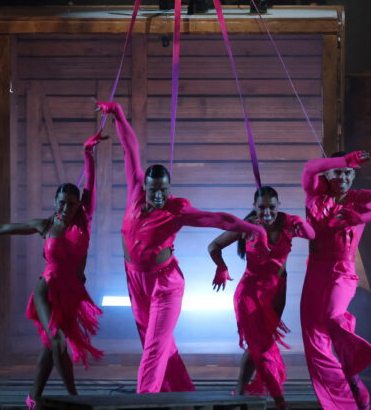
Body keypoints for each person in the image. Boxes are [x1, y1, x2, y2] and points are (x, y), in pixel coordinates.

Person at [95, 101, 268, 393]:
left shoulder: (177, 210)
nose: (159, 195)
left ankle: (144, 400)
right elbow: (130, 149)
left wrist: (251, 228)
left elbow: (217, 218)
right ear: (146, 187)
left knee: (154, 346)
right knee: (161, 345)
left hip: (165, 284)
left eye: (164, 190)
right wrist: (118, 114)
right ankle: (184, 394)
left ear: (169, 188)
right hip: (135, 278)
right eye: (155, 190)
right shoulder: (136, 191)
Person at [0, 134, 108, 409]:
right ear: (54, 201)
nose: (65, 208)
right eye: (61, 202)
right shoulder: (44, 226)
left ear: (78, 205)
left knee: (50, 349)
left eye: (71, 203)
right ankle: (76, 399)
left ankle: (33, 397)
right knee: (57, 340)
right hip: (46, 290)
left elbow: (92, 185)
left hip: (70, 293)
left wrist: (88, 153)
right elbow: (3, 228)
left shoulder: (84, 222)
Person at [299, 151, 371, 409]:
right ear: (329, 173)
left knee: (332, 317)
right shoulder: (315, 194)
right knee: (314, 337)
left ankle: (353, 369)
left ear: (353, 176)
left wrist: (361, 217)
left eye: (347, 172)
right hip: (315, 271)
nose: (343, 176)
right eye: (338, 171)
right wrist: (346, 159)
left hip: (342, 271)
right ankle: (344, 396)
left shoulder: (360, 198)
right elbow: (310, 166)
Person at [208, 186, 315, 410]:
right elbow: (214, 246)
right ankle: (279, 400)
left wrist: (299, 223)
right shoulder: (248, 226)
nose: (267, 213)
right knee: (261, 346)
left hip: (276, 294)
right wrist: (221, 268)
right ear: (254, 207)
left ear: (279, 206)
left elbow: (311, 234)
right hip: (249, 294)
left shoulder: (287, 223)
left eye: (272, 208)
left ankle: (239, 392)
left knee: (257, 345)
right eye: (262, 208)